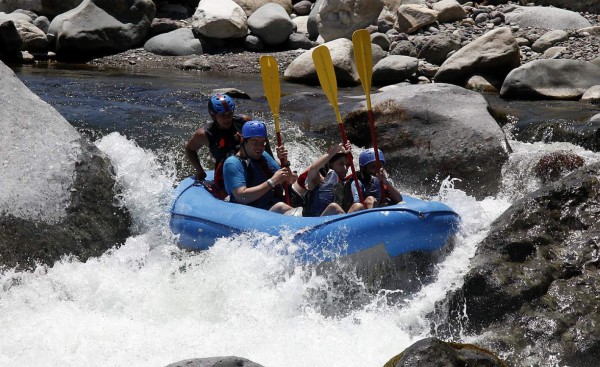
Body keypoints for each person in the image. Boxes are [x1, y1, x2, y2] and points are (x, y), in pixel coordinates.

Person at [184, 93, 272, 181]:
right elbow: (190, 149)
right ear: (213, 116)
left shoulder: (244, 122)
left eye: (230, 114)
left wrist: (271, 158)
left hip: (250, 163)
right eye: (222, 115)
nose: (227, 118)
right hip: (227, 171)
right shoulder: (204, 134)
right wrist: (200, 171)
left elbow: (262, 137)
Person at [222, 120, 295, 214]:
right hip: (253, 212)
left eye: (262, 142)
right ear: (243, 140)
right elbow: (241, 197)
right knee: (281, 207)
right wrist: (272, 182)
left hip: (271, 202)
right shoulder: (232, 163)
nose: (260, 146)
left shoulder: (263, 155)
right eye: (255, 141)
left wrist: (285, 162)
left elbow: (289, 181)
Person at [302, 143, 365, 217]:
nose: (345, 168)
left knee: (358, 206)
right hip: (314, 222)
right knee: (334, 207)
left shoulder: (347, 183)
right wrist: (337, 149)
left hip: (338, 223)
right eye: (341, 164)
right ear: (330, 164)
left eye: (348, 165)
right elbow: (313, 169)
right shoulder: (318, 179)